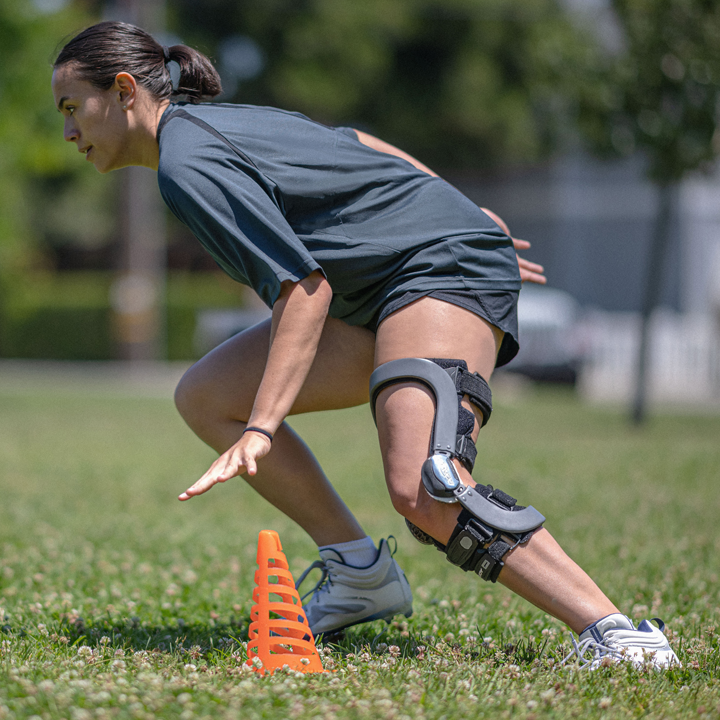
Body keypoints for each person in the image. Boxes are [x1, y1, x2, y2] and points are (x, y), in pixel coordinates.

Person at [52, 21, 678, 669]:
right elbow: (357, 143)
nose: (68, 132)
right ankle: (358, 574)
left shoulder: (187, 161)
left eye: (73, 109)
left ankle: (619, 634)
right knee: (209, 396)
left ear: (125, 91)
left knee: (426, 486)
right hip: (378, 293)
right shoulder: (211, 132)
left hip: (439, 268)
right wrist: (452, 202)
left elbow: (305, 289)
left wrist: (264, 427)